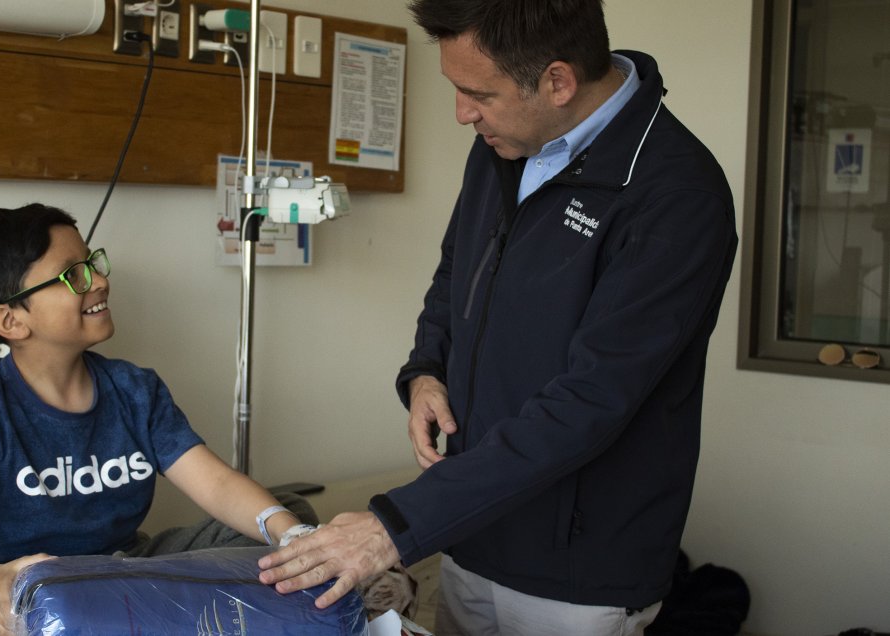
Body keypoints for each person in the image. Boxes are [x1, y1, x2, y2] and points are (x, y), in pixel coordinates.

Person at [258, 1, 739, 634]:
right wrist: (426, 371)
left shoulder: (676, 196)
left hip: (575, 571)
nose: (463, 113)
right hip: (473, 531)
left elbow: (591, 400)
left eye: (478, 94)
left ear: (558, 81)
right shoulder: (504, 144)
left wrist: (394, 526)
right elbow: (457, 274)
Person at [0, 204, 316, 636]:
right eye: (73, 275)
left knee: (284, 513)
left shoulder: (134, 390)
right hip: (21, 595)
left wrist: (293, 535)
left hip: (121, 570)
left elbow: (215, 484)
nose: (99, 281)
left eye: (92, 263)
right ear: (11, 320)